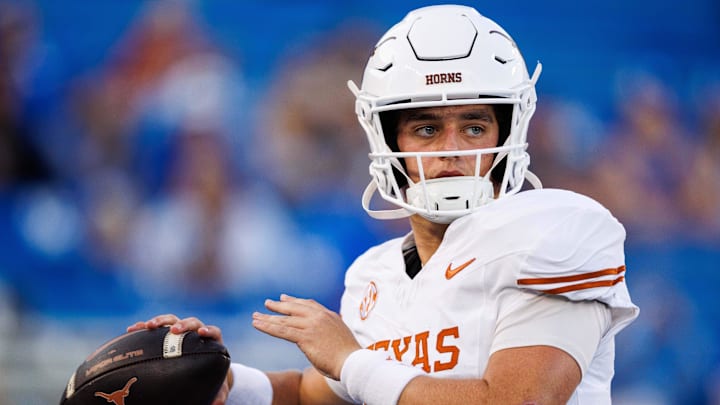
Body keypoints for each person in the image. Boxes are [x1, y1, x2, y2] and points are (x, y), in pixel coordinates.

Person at [128, 5, 639, 404]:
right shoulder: (376, 277)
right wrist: (221, 383)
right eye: (426, 128)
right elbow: (315, 396)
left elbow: (520, 401)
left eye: (476, 127)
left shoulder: (560, 231)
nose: (453, 151)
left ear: (511, 134)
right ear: (387, 144)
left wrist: (351, 361)